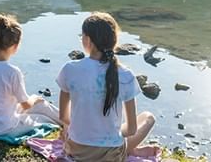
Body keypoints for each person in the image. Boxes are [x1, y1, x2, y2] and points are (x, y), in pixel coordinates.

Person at [56, 13, 159, 161]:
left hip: (76, 149)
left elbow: (63, 117)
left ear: (87, 40)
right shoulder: (126, 75)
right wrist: (108, 132)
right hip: (110, 155)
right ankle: (131, 150)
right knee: (149, 118)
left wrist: (84, 130)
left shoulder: (69, 69)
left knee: (74, 129)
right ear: (114, 41)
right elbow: (131, 129)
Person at [0, 14, 60, 136]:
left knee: (38, 105)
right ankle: (73, 123)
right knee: (43, 113)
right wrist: (34, 98)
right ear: (16, 45)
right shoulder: (12, 72)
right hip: (5, 128)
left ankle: (71, 121)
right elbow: (26, 105)